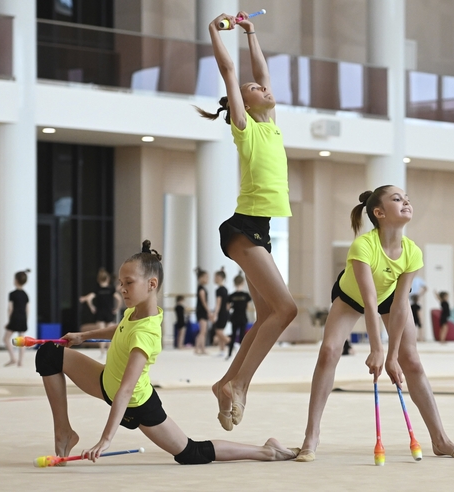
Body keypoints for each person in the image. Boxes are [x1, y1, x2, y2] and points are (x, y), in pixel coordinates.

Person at [34, 241, 298, 465]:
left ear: (151, 284)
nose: (121, 289)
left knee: (190, 453)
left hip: (135, 403)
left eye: (128, 283)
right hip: (104, 381)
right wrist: (84, 337)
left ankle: (267, 451)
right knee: (49, 354)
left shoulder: (147, 333)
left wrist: (106, 439)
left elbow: (126, 390)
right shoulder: (135, 311)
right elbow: (121, 328)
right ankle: (64, 432)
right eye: (120, 283)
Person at [296, 186, 454, 462]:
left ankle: (440, 439)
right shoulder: (363, 246)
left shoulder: (412, 252)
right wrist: (376, 349)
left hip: (389, 298)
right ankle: (311, 436)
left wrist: (392, 357)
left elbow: (401, 305)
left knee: (411, 360)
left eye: (407, 198)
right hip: (351, 297)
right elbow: (368, 302)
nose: (406, 202)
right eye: (397, 199)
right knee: (328, 351)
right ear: (379, 213)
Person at [195, 12, 297, 430]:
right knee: (286, 309)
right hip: (243, 228)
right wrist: (215, 33)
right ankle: (239, 384)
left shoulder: (271, 126)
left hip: (262, 230)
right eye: (252, 90)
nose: (261, 88)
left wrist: (252, 32)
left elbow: (259, 71)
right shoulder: (246, 128)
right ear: (243, 104)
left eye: (262, 87)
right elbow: (230, 69)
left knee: (266, 315)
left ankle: (228, 383)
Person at [79, 268, 121, 358]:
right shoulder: (111, 289)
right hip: (109, 312)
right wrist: (117, 308)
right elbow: (119, 299)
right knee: (110, 334)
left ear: (98, 280)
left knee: (102, 333)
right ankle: (109, 352)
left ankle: (102, 352)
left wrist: (92, 307)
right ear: (108, 279)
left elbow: (89, 298)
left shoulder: (97, 289)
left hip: (100, 313)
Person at [3, 269, 30, 367]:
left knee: (6, 339)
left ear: (16, 280)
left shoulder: (12, 294)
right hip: (23, 318)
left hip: (15, 318)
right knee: (22, 340)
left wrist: (9, 321)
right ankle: (21, 361)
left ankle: (13, 358)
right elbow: (27, 309)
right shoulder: (25, 295)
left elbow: (10, 308)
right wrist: (26, 319)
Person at [226, 274, 252, 361]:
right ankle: (242, 356)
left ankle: (229, 354)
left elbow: (228, 307)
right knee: (242, 337)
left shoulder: (232, 295)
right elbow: (248, 307)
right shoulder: (245, 295)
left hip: (234, 317)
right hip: (243, 317)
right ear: (243, 282)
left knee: (233, 336)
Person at [212, 268, 230, 355]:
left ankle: (232, 343)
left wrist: (214, 314)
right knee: (220, 332)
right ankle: (222, 350)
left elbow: (218, 304)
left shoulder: (219, 290)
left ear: (219, 277)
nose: (214, 279)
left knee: (218, 331)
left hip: (222, 313)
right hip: (225, 313)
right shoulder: (225, 289)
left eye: (215, 277)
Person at [194, 268, 211, 356]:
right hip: (202, 311)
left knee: (203, 331)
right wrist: (208, 311)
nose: (207, 279)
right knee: (203, 331)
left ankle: (199, 348)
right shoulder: (201, 289)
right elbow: (204, 301)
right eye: (206, 277)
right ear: (201, 278)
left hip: (201, 311)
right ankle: (200, 348)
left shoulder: (201, 288)